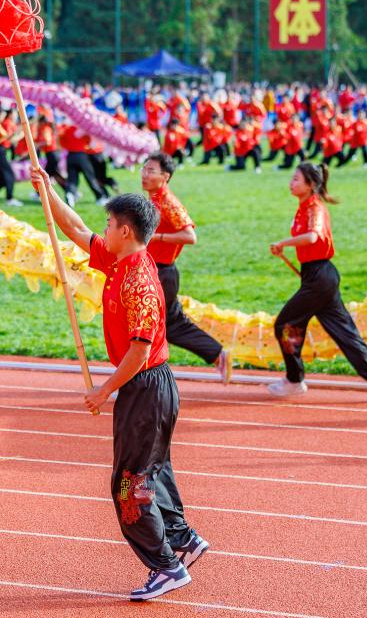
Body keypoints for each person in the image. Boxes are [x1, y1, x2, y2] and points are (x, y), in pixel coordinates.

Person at [29, 167, 205, 602]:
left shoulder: (140, 281)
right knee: (153, 470)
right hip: (148, 389)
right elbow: (74, 228)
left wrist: (103, 390)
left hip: (146, 387)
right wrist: (47, 191)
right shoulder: (119, 258)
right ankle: (182, 537)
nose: (103, 229)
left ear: (125, 231)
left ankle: (166, 566)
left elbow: (139, 352)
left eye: (109, 223)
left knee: (128, 484)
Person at [267, 163, 367, 402]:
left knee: (285, 324)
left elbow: (312, 237)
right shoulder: (303, 207)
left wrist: (284, 243)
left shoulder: (315, 208)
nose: (291, 183)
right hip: (317, 276)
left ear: (310, 185)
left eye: (296, 179)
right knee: (343, 331)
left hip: (320, 277)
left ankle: (294, 380)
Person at [140, 153, 232, 381]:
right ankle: (217, 354)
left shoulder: (168, 202)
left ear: (165, 177)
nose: (144, 174)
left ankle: (140, 378)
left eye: (151, 171)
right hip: (155, 271)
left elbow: (190, 236)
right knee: (171, 325)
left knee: (145, 327)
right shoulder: (153, 199)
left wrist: (157, 237)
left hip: (162, 273)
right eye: (144, 169)